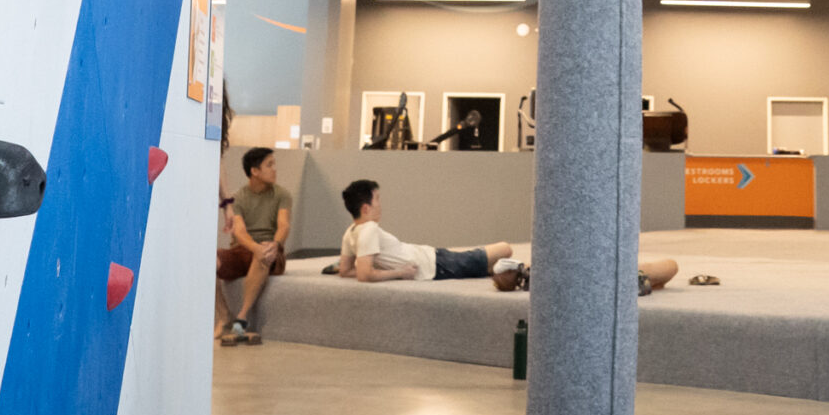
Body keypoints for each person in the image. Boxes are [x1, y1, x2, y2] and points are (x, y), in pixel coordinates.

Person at [335, 179, 515, 283]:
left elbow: (346, 270)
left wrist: (369, 267)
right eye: (377, 200)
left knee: (495, 265)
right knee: (505, 249)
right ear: (366, 208)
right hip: (437, 265)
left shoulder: (351, 232)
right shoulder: (369, 230)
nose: (380, 205)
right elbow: (365, 275)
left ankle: (514, 270)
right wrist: (399, 273)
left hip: (433, 258)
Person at [216, 145, 292, 345]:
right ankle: (223, 315)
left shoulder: (282, 195)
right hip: (246, 249)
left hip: (272, 249)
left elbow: (284, 225)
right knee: (210, 260)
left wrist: (275, 244)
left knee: (264, 252)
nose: (274, 169)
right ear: (254, 171)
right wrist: (255, 248)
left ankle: (241, 317)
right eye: (269, 165)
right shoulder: (239, 197)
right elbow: (239, 232)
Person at [491, 254, 681, 296]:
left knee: (662, 272)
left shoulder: (541, 274)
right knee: (670, 267)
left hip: (601, 271)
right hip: (607, 272)